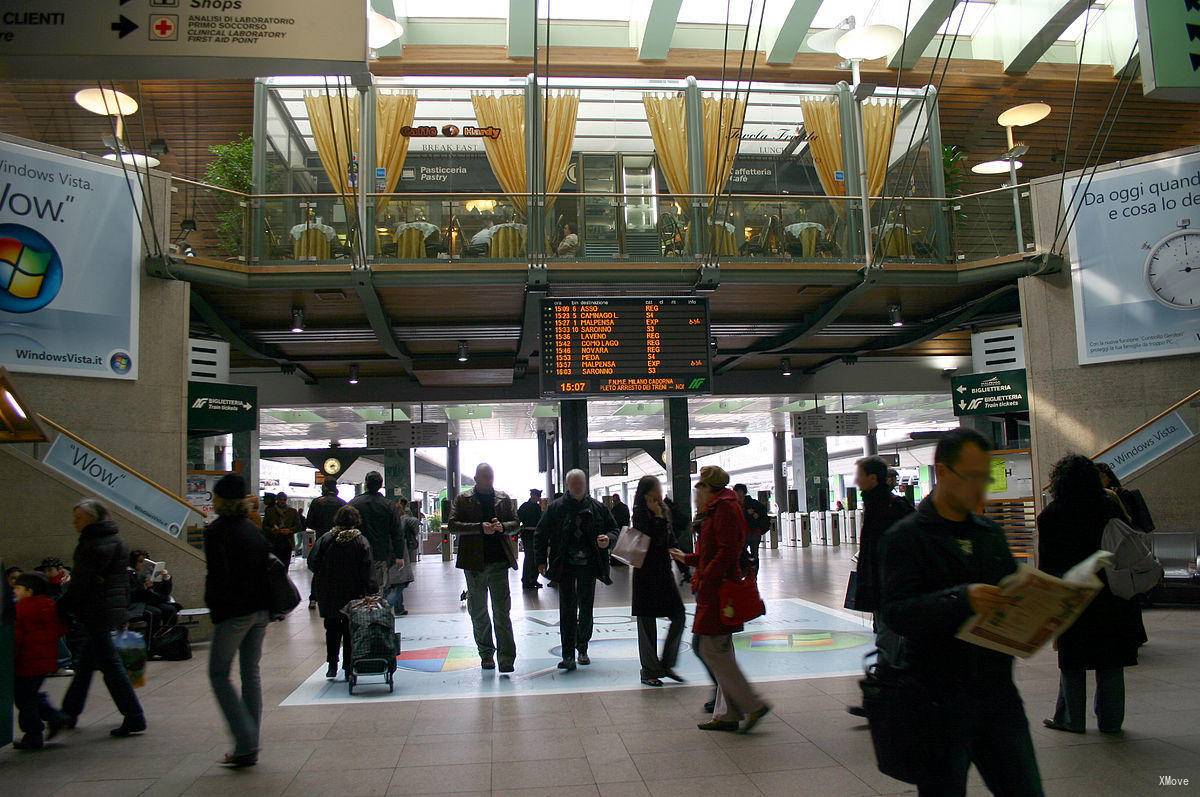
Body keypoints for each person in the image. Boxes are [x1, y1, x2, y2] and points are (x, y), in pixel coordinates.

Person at [878, 428, 1043, 795]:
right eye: (972, 477)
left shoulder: (989, 533)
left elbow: (1009, 592)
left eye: (985, 478)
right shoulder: (906, 537)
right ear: (942, 472)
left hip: (997, 695)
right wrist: (960, 598)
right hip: (938, 700)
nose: (980, 489)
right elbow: (897, 612)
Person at [1038, 454, 1142, 736]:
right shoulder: (1109, 506)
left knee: (1072, 662)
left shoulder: (1050, 515)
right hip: (1112, 596)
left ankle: (1071, 719)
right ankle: (1110, 722)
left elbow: (1048, 566)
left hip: (1074, 597)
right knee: (1110, 661)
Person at [670, 466, 770, 733]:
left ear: (708, 488)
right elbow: (714, 549)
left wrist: (705, 575)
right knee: (716, 649)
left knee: (711, 649)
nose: (696, 493)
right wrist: (688, 558)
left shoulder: (724, 508)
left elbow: (728, 550)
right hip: (713, 588)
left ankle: (751, 703)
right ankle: (729, 712)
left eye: (699, 487)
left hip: (717, 590)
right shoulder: (719, 507)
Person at [58, 499, 147, 738]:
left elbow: (80, 583)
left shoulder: (93, 544)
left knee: (110, 665)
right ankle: (68, 712)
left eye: (79, 518)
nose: (74, 522)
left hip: (96, 610)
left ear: (92, 519)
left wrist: (62, 607)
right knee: (86, 664)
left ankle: (134, 715)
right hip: (110, 609)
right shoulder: (115, 540)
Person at [204, 474, 272, 768]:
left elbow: (218, 576)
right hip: (260, 612)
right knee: (250, 673)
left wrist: (216, 608)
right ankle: (249, 743)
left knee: (219, 673)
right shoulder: (252, 529)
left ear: (219, 500)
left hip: (235, 613)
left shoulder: (216, 532)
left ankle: (246, 740)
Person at [846, 455, 915, 718]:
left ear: (873, 478)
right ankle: (891, 695)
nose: (855, 480)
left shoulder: (893, 506)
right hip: (879, 584)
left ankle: (884, 697)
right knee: (885, 636)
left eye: (859, 475)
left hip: (891, 586)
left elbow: (908, 544)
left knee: (888, 638)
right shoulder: (875, 504)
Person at [536, 469, 619, 671]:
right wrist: (540, 561)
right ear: (567, 486)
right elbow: (541, 533)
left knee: (586, 607)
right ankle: (568, 654)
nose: (578, 488)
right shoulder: (556, 509)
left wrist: (608, 539)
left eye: (580, 484)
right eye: (574, 485)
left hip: (589, 566)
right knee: (567, 609)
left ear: (585, 485)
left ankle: (582, 648)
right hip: (565, 565)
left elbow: (615, 530)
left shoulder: (598, 508)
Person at [449, 463, 521, 672]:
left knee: (502, 612)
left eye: (491, 475)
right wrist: (480, 528)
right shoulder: (463, 499)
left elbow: (516, 523)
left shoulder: (503, 498)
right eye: (485, 476)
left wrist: (503, 527)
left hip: (499, 562)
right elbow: (452, 525)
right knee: (479, 611)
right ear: (476, 478)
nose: (489, 479)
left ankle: (506, 658)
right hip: (474, 565)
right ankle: (486, 654)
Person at [309, 504, 376, 679]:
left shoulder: (325, 539)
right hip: (353, 592)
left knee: (331, 628)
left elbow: (312, 562)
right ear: (356, 521)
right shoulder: (360, 541)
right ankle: (348, 667)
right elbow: (367, 568)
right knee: (349, 629)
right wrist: (371, 590)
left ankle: (332, 664)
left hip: (328, 591)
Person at [631, 475, 686, 687]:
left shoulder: (664, 508)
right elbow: (650, 539)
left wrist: (683, 568)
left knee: (678, 615)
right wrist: (657, 517)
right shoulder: (640, 511)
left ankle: (667, 663)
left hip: (663, 572)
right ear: (647, 492)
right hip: (645, 572)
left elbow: (672, 539)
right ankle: (649, 670)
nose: (660, 491)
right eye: (657, 488)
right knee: (646, 622)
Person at [11, 572, 66, 750]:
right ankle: (54, 717)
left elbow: (16, 637)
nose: (15, 592)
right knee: (30, 695)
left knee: (23, 698)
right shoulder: (50, 605)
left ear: (29, 590)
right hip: (45, 660)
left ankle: (34, 734)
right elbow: (60, 628)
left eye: (18, 588)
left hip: (27, 661)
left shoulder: (22, 608)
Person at [349, 471, 405, 596]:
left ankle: (358, 611)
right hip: (380, 553)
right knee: (378, 588)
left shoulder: (354, 503)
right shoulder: (388, 505)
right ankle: (375, 610)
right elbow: (396, 532)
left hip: (357, 553)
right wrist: (399, 555)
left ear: (365, 484)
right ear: (381, 485)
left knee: (358, 587)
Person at [305, 481, 347, 610]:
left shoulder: (317, 503)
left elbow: (309, 523)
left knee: (319, 570)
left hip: (322, 540)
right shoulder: (342, 503)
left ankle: (313, 598)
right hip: (339, 541)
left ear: (324, 488)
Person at [1096, 462, 1155, 532]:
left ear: (1109, 478)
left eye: (1101, 477)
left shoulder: (1121, 494)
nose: (1098, 481)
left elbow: (1129, 519)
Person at [387, 497, 421, 616]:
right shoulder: (401, 520)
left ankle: (399, 608)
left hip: (385, 556)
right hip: (399, 556)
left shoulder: (384, 523)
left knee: (395, 583)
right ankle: (385, 608)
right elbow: (415, 522)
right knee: (400, 584)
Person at [733, 484, 770, 570]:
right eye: (736, 492)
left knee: (754, 555)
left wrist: (755, 514)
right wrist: (747, 513)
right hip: (741, 535)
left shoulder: (753, 503)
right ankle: (745, 573)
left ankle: (753, 575)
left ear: (744, 492)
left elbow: (763, 511)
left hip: (754, 533)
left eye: (740, 492)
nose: (738, 494)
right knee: (741, 554)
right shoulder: (734, 505)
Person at [264, 492, 301, 568]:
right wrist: (272, 530)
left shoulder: (293, 512)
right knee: (274, 565)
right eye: (280, 499)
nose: (282, 501)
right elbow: (264, 526)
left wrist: (290, 530)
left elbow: (298, 526)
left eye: (284, 500)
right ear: (277, 500)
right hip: (274, 541)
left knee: (286, 564)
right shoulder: (270, 511)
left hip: (287, 542)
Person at [517, 488, 545, 590]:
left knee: (535, 557)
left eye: (537, 496)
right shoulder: (525, 506)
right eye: (535, 495)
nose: (536, 497)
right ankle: (526, 580)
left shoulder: (539, 507)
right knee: (529, 557)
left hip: (536, 534)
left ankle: (533, 579)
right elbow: (518, 518)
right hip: (528, 534)